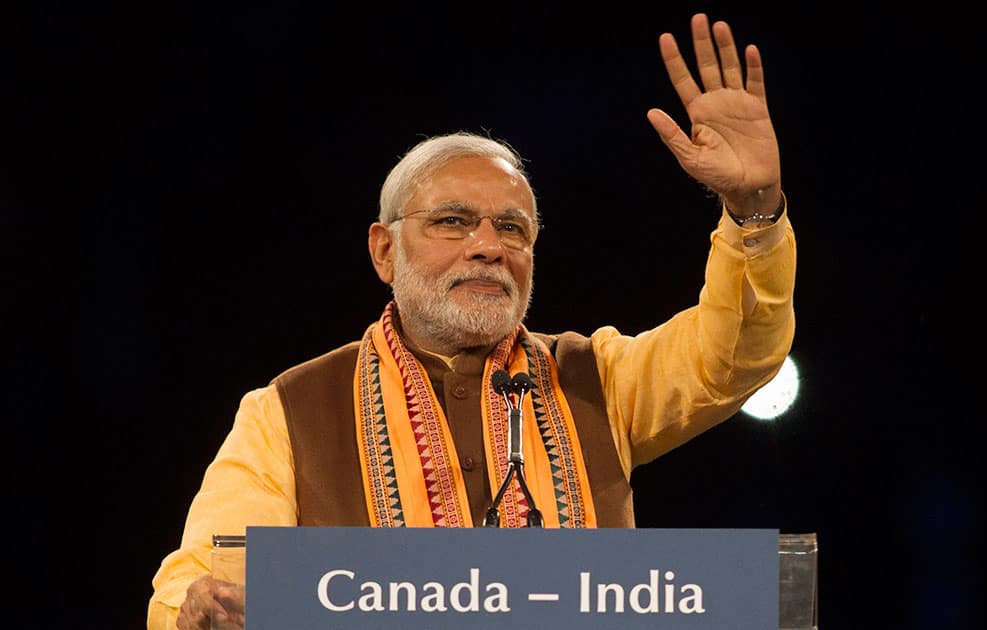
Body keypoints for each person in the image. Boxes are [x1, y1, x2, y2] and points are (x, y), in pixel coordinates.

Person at [148, 12, 795, 629]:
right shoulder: (288, 414)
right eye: (452, 221)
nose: (489, 245)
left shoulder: (597, 379)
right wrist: (202, 611)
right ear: (383, 249)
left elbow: (733, 355)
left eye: (512, 228)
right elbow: (206, 579)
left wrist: (753, 207)